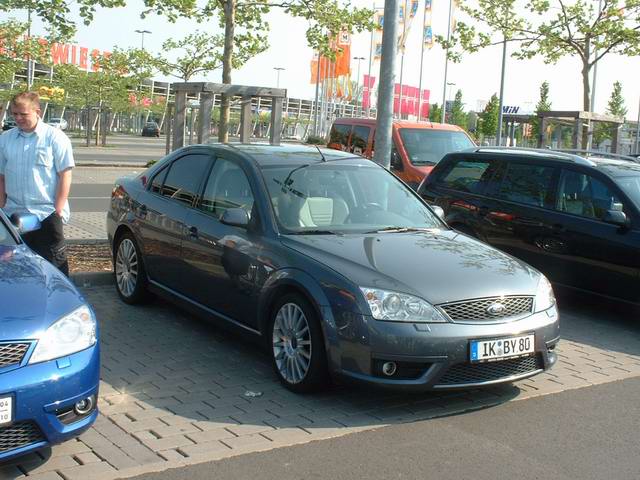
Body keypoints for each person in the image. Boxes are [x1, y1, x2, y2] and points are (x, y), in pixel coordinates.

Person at [0, 91, 74, 275]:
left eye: (23, 114)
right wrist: (1, 207)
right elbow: (1, 177)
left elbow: (65, 175)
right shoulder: (5, 139)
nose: (18, 118)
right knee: (14, 270)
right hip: (13, 215)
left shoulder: (55, 137)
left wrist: (57, 210)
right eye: (14, 113)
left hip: (45, 215)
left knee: (53, 271)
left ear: (37, 112)